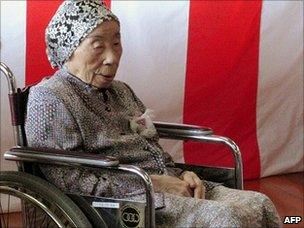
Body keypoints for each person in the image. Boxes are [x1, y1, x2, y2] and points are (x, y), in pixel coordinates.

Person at [25, 1, 281, 227]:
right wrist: (154, 183)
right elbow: (68, 179)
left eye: (116, 43)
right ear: (69, 48)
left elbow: (150, 146)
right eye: (98, 46)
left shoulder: (121, 91)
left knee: (259, 204)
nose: (112, 57)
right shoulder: (50, 97)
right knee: (227, 219)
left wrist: (179, 174)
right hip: (124, 201)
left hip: (166, 186)